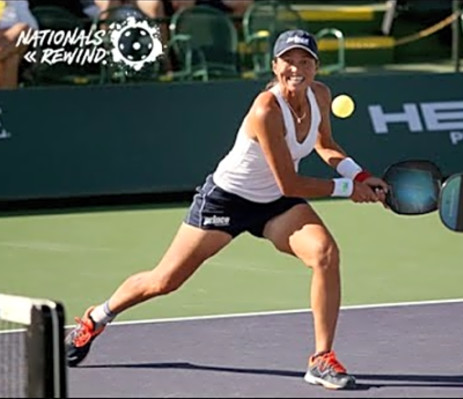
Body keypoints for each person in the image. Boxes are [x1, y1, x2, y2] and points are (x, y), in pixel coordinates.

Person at [64, 28, 388, 390]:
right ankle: (96, 317)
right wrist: (349, 190)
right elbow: (290, 184)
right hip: (228, 199)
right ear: (275, 65)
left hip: (274, 206)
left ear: (316, 68)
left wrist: (361, 174)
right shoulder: (266, 109)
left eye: (305, 62)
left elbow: (325, 145)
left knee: (325, 254)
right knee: (164, 280)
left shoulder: (320, 96)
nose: (296, 69)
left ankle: (321, 359)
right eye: (289, 62)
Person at [0, 0, 38, 90]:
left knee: (22, 30)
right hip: (9, 46)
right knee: (12, 58)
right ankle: (8, 102)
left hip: (13, 38)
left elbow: (32, 26)